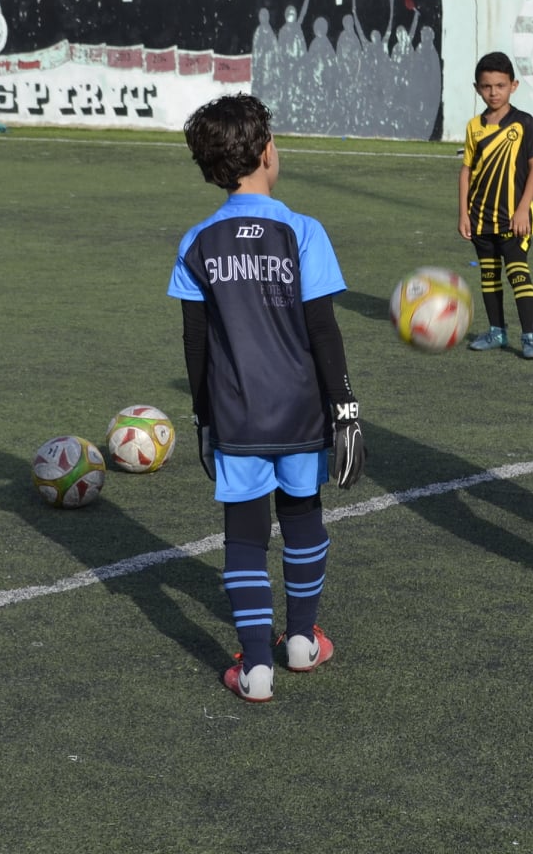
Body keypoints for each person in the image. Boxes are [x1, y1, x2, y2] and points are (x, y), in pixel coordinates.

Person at [167, 93, 365, 703]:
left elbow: (195, 343)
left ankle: (256, 668)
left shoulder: (197, 241)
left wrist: (203, 419)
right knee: (302, 517)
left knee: (245, 536)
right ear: (268, 152)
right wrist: (347, 410)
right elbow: (323, 330)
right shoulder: (302, 231)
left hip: (237, 416)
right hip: (301, 411)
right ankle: (302, 639)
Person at [458, 51, 533, 359]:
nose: (493, 92)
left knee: (518, 273)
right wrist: (463, 214)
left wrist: (523, 209)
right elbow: (466, 171)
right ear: (477, 88)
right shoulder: (474, 127)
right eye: (486, 86)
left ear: (514, 86)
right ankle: (496, 331)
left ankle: (530, 336)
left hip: (514, 218)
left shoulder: (523, 123)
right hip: (480, 217)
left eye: (500, 85)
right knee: (488, 275)